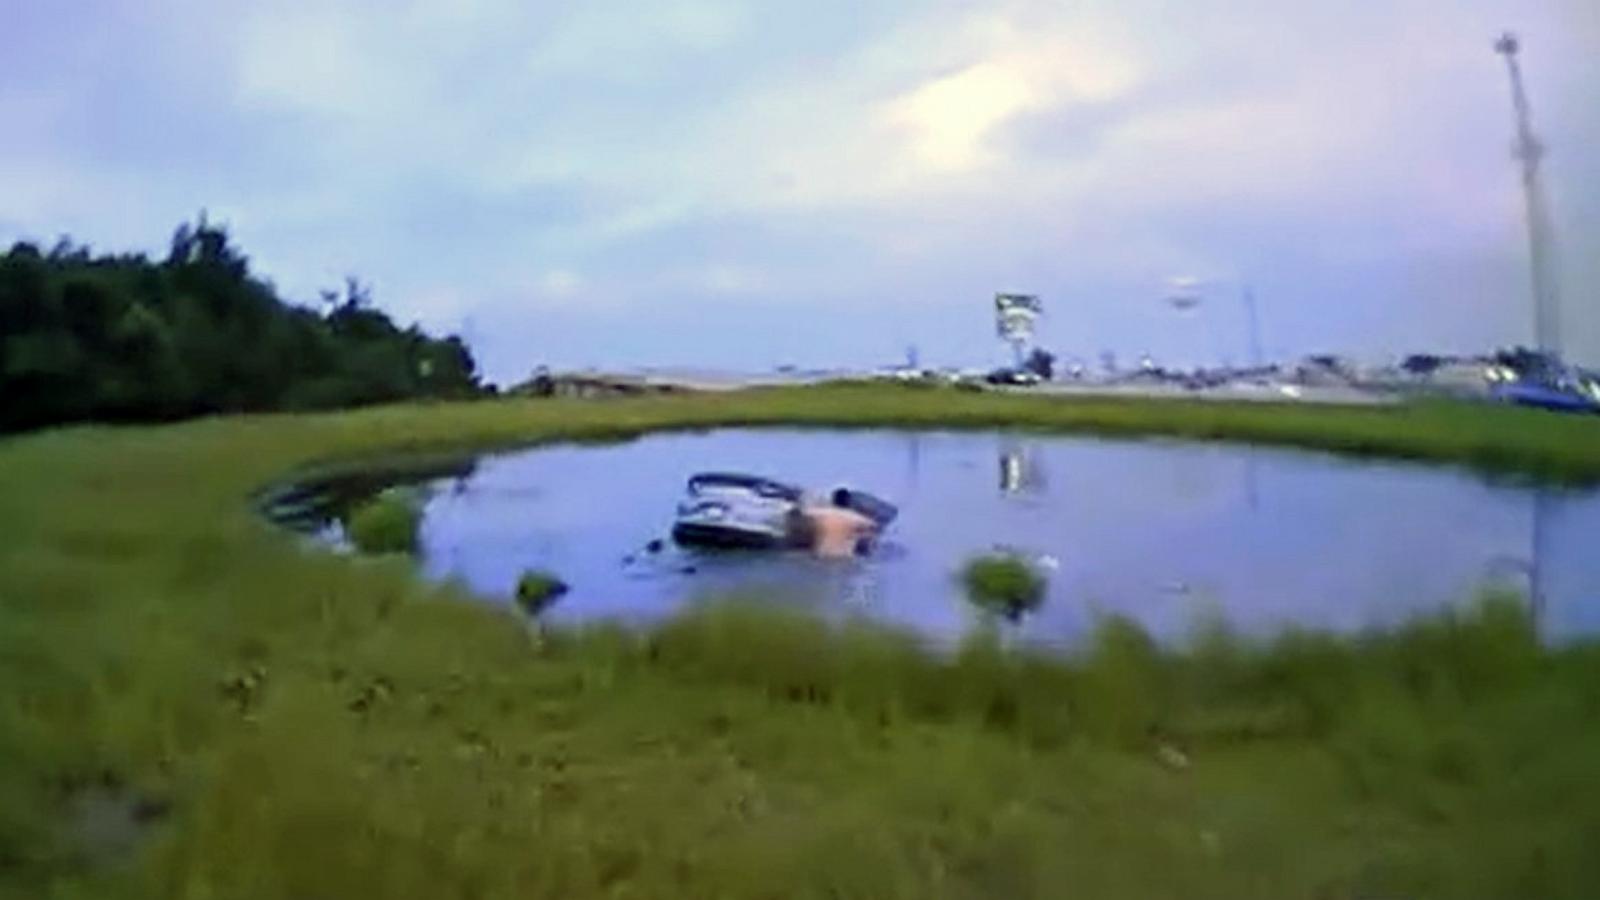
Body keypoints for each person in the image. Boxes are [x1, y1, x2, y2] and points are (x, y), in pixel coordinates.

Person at [789, 497, 877, 558]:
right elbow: (873, 525)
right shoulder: (855, 518)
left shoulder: (821, 513)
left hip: (821, 556)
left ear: (833, 501)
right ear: (848, 503)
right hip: (843, 559)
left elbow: (802, 512)